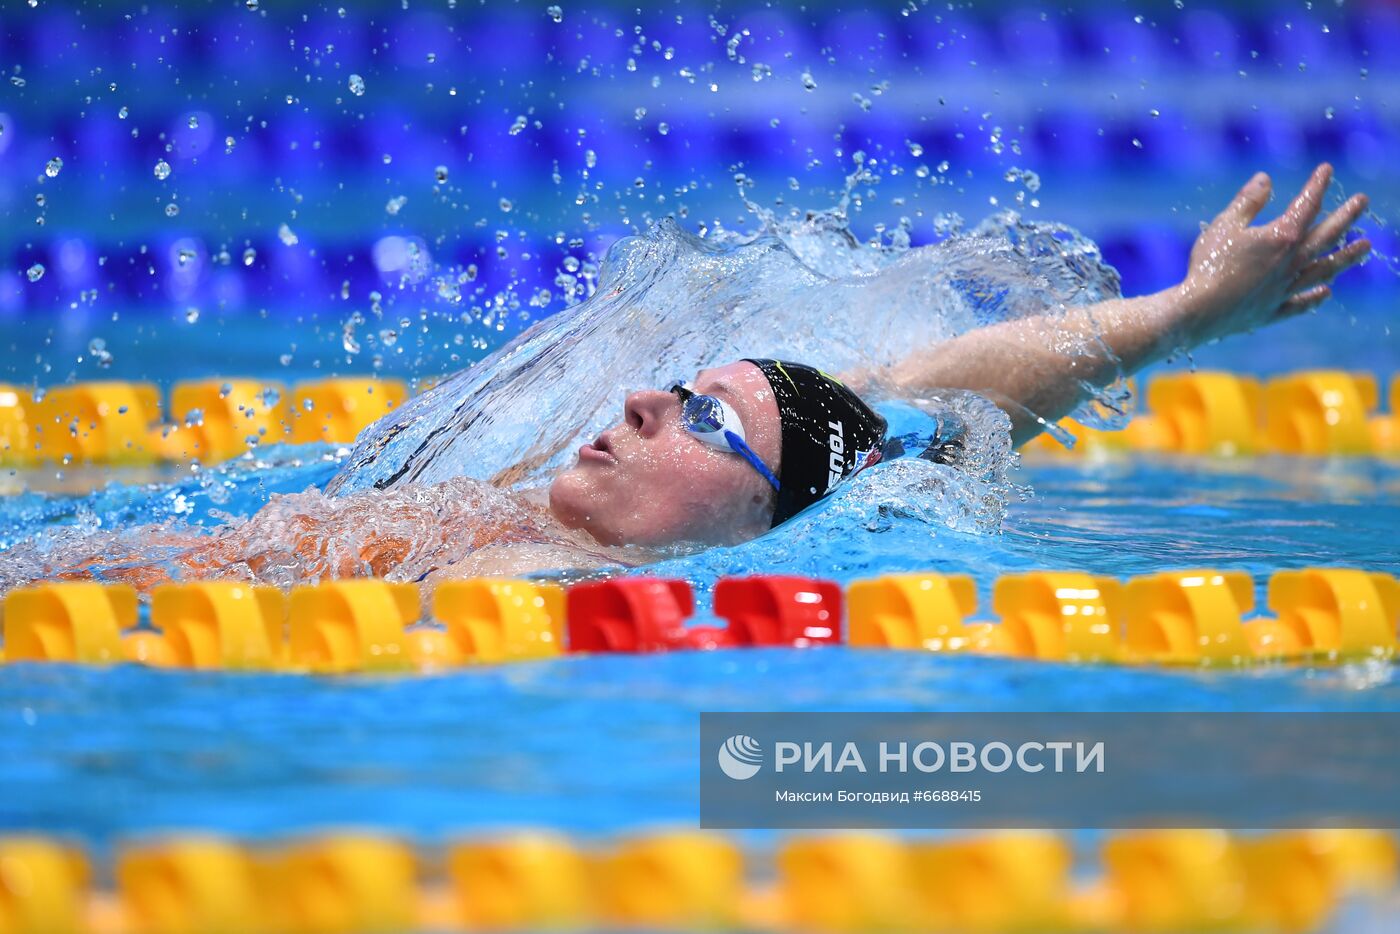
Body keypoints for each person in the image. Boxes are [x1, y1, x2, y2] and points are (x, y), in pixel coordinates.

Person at [6, 164, 1372, 589]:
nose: (644, 400)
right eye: (681, 386)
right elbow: (944, 385)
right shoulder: (525, 524)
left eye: (710, 419)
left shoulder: (549, 586)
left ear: (755, 521)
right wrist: (1185, 315)